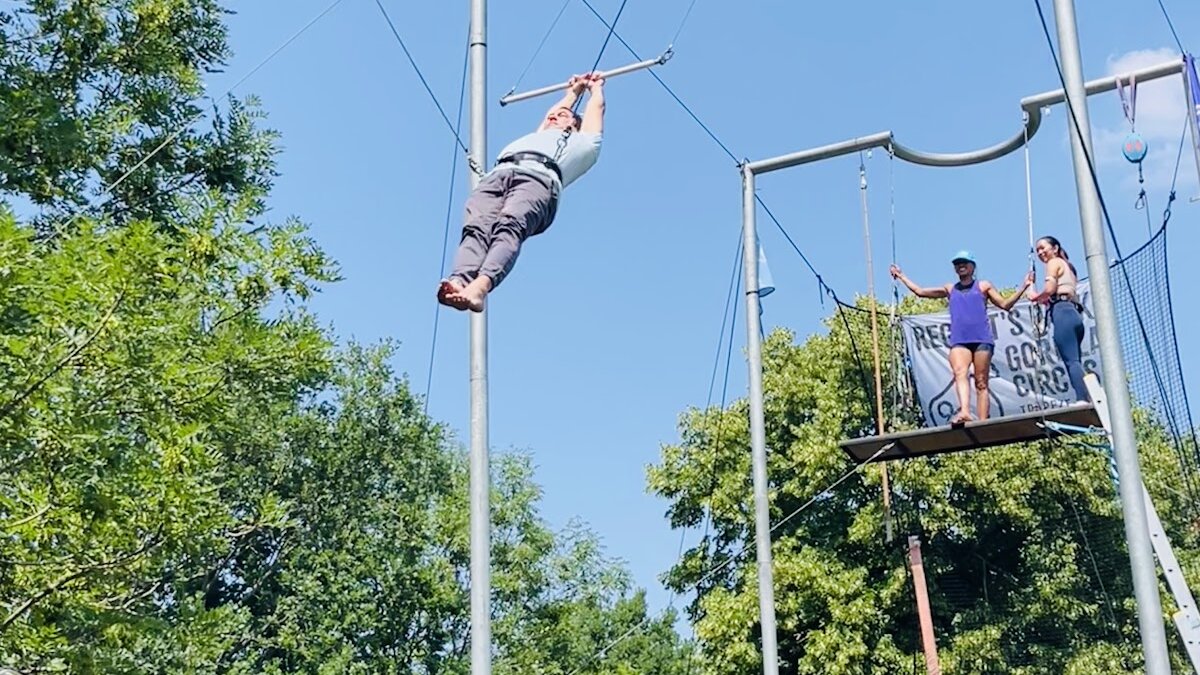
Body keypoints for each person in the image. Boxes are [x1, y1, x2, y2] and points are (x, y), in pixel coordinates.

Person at [437, 72, 606, 312]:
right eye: (553, 115)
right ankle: (460, 281)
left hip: (538, 179)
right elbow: (552, 112)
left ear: (574, 125)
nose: (554, 116)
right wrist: (573, 92)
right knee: (476, 229)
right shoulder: (541, 134)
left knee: (509, 226)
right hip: (499, 174)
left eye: (563, 115)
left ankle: (480, 287)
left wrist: (595, 88)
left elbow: (596, 111)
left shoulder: (585, 144)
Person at [890, 251, 1033, 425]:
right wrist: (901, 276)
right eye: (957, 264)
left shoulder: (983, 286)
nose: (961, 266)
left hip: (981, 339)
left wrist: (1024, 287)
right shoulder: (950, 289)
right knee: (960, 373)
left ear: (973, 266)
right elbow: (920, 292)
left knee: (981, 382)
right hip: (960, 340)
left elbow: (1005, 305)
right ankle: (965, 412)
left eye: (964, 263)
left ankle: (982, 421)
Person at [1026, 235, 1089, 402]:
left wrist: (1035, 296)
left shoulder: (1053, 263)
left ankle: (1082, 398)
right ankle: (1085, 395)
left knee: (1072, 361)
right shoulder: (1069, 267)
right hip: (1073, 314)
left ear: (1055, 248)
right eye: (1038, 249)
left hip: (1062, 313)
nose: (1040, 252)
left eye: (1043, 248)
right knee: (1075, 360)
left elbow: (1050, 288)